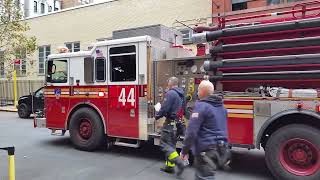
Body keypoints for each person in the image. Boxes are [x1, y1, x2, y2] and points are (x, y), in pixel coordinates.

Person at [180, 80, 230, 180]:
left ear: (202, 91)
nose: (197, 92)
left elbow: (191, 132)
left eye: (198, 90)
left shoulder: (201, 106)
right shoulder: (222, 107)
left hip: (205, 151)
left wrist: (184, 151)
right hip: (220, 150)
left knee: (204, 177)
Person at [155, 77, 187, 175]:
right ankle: (169, 167)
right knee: (172, 145)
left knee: (164, 144)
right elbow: (184, 111)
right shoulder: (182, 95)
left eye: (168, 82)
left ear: (171, 83)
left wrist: (157, 115)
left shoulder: (170, 93)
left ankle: (179, 162)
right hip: (177, 124)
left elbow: (165, 108)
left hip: (169, 124)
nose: (167, 83)